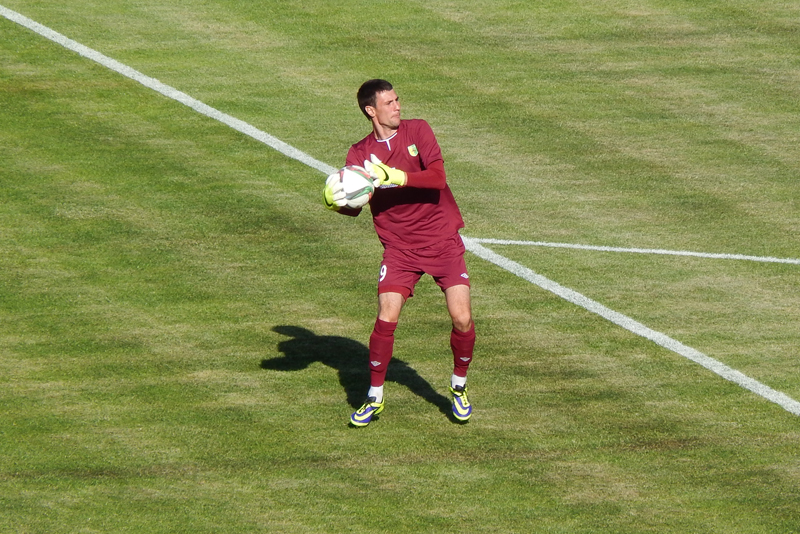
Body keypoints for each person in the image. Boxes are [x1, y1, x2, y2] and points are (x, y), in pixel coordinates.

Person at [323, 79, 476, 426]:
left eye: (397, 100)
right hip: (399, 250)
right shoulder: (359, 154)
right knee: (386, 317)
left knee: (462, 318)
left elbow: (437, 178)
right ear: (370, 110)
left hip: (442, 241)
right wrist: (336, 201)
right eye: (389, 103)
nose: (397, 107)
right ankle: (374, 397)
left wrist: (395, 175)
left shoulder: (418, 130)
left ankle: (459, 386)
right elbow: (355, 206)